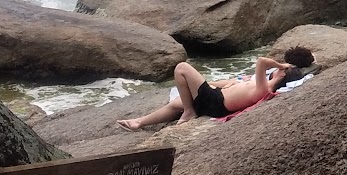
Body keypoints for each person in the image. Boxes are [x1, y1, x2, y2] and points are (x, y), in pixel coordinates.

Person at [117, 46, 314, 130]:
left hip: (215, 101)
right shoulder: (261, 86)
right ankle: (139, 122)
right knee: (175, 103)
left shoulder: (264, 89)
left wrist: (280, 66)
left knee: (181, 68)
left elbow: (262, 60)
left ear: (280, 75)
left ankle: (189, 112)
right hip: (216, 99)